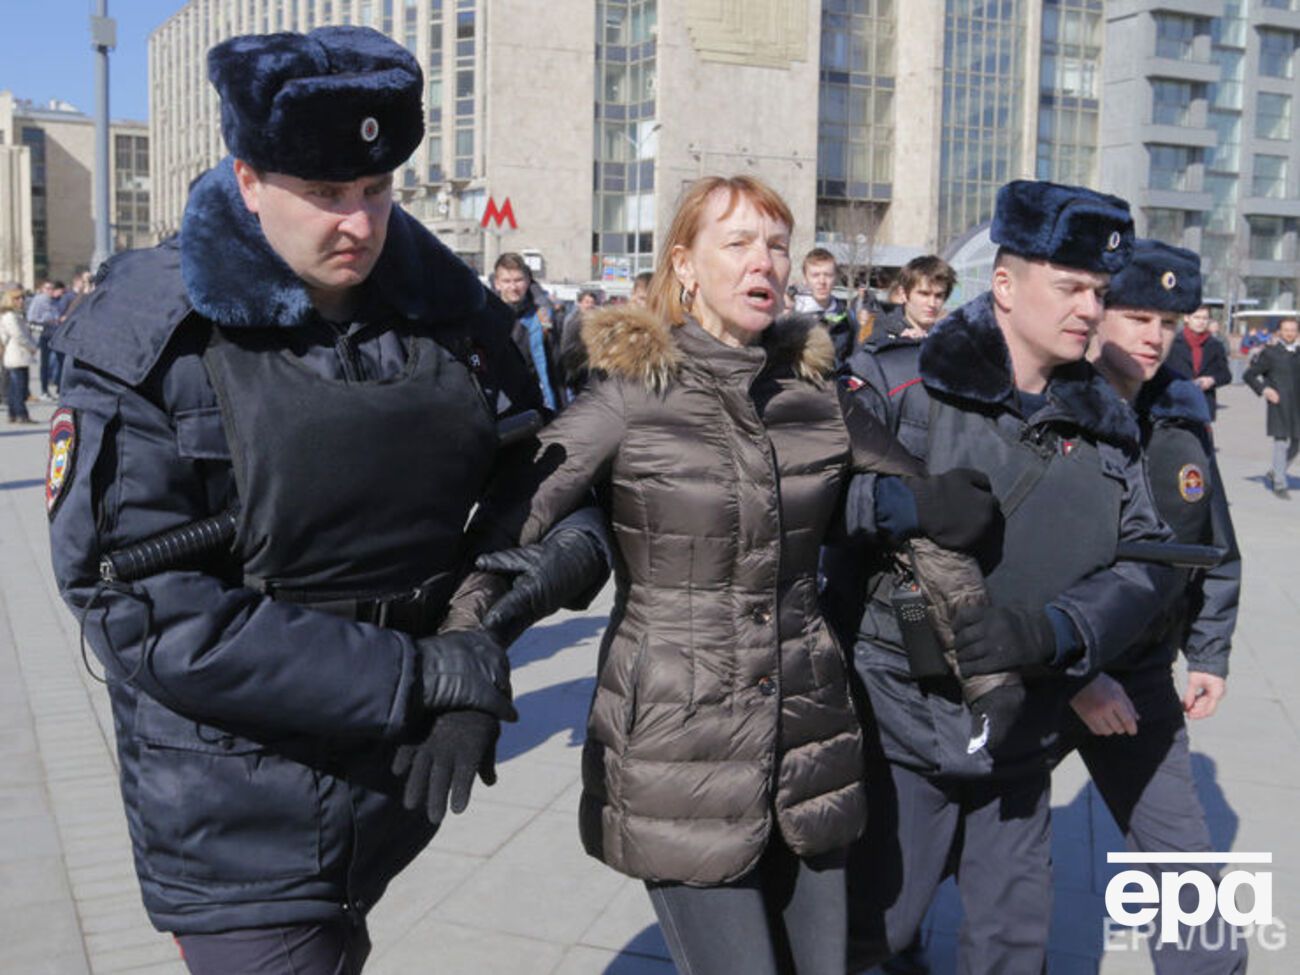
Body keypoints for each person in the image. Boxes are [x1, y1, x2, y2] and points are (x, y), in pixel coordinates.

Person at [47, 27, 607, 974]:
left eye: (376, 190)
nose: (358, 223)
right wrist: (418, 678)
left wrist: (477, 640)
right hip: (236, 810)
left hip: (392, 785)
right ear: (249, 177)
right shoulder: (152, 332)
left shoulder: (447, 308)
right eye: (325, 195)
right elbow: (140, 606)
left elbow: (550, 494)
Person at [478, 175, 993, 975]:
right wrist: (459, 653)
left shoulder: (814, 394)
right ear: (684, 265)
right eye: (740, 242)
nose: (767, 261)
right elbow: (516, 521)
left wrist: (985, 659)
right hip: (678, 744)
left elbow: (925, 521)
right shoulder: (630, 393)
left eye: (778, 243)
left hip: (810, 729)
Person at [836, 180, 1179, 974]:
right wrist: (897, 504)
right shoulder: (901, 384)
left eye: (1099, 291)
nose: (1090, 308)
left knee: (1012, 951)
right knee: (873, 936)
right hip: (900, 726)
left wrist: (1059, 630)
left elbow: (1150, 561)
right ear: (1004, 284)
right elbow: (802, 500)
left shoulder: (1108, 418)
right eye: (1070, 286)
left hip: (1026, 738)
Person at [1069, 238, 1246, 973]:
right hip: (1031, 671)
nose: (1154, 336)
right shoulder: (1047, 404)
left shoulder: (1179, 413)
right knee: (933, 869)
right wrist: (1073, 675)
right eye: (1137, 315)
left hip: (1139, 674)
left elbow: (1215, 541)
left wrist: (1208, 649)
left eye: (1169, 321)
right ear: (1097, 311)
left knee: (1190, 883)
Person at [493, 252, 563, 412]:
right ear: (497, 283)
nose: (513, 287)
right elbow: (475, 359)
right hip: (498, 404)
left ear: (528, 281)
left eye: (518, 280)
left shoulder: (543, 318)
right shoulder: (486, 317)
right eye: (507, 281)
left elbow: (555, 365)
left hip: (536, 401)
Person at [1244, 316, 1300, 498]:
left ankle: (1277, 469)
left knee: (1297, 443)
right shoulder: (1270, 353)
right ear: (1279, 332)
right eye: (1286, 329)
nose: (1290, 333)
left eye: (1293, 329)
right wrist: (1265, 389)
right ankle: (1279, 484)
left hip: (1298, 406)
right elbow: (1249, 375)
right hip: (1279, 404)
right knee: (1281, 443)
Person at [864, 255, 956, 348]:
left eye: (939, 296)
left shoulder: (952, 337)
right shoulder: (877, 332)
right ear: (903, 294)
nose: (932, 303)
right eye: (924, 294)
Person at [1167, 304, 1232, 420]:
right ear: (1186, 318)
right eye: (1197, 317)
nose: (1201, 322)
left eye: (1205, 318)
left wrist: (1212, 380)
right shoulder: (1172, 343)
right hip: (1176, 404)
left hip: (1204, 405)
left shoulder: (1215, 345)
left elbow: (1226, 375)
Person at [794, 246, 854, 364]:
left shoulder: (847, 316)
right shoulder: (793, 315)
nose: (822, 281)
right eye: (815, 275)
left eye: (828, 275)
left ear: (835, 277)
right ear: (805, 279)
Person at [0, 288, 38, 423]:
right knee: (19, 388)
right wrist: (32, 346)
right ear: (10, 300)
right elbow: (18, 335)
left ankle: (13, 413)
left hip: (18, 354)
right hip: (16, 354)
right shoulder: (10, 316)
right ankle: (22, 414)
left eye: (22, 298)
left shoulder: (16, 314)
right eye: (17, 298)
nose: (21, 300)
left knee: (14, 387)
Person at [26, 279, 64, 399]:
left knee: (60, 362)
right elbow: (31, 317)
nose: (50, 291)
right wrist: (46, 320)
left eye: (51, 288)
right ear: (42, 289)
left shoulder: (54, 301)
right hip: (44, 334)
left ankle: (59, 388)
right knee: (45, 364)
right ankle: (44, 390)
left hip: (54, 333)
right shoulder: (39, 300)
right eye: (47, 288)